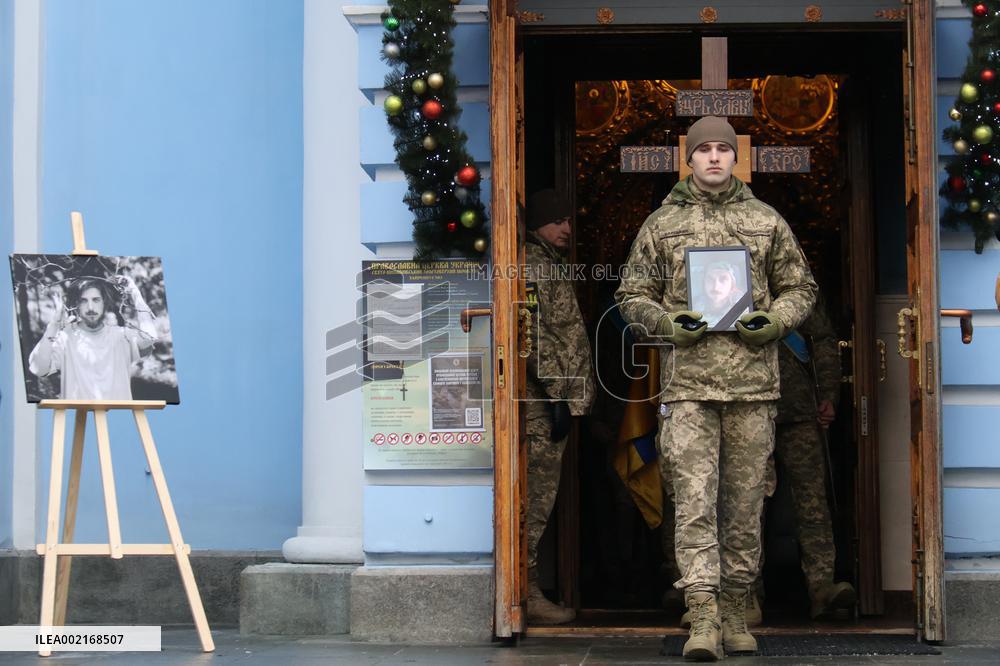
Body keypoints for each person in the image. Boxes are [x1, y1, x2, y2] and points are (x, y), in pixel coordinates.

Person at [615, 116, 817, 660]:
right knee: (695, 504)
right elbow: (631, 295)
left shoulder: (764, 220)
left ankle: (735, 611)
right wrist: (665, 324)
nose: (712, 157)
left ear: (734, 158)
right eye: (702, 149)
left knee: (746, 505)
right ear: (689, 158)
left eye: (721, 149)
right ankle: (702, 616)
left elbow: (801, 286)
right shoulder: (661, 225)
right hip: (690, 390)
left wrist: (776, 321)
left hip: (753, 388)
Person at [523, 188, 596, 625]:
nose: (567, 228)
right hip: (540, 404)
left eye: (568, 220)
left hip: (554, 398)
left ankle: (530, 588)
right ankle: (526, 592)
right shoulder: (532, 265)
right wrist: (556, 392)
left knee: (544, 497)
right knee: (536, 499)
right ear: (537, 224)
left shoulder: (549, 263)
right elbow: (529, 331)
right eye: (558, 220)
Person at [768, 297, 856, 620]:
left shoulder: (796, 285)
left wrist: (829, 395)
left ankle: (822, 587)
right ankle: (744, 594)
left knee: (812, 501)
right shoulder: (730, 278)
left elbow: (822, 340)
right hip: (748, 410)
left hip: (801, 410)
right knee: (745, 505)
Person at [29, 275, 158, 400]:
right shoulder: (65, 337)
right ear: (76, 305)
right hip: (77, 417)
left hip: (117, 416)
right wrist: (54, 325)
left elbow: (149, 337)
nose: (91, 308)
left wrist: (134, 292)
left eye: (96, 300)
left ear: (104, 303)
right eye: (83, 301)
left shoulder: (121, 335)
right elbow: (38, 369)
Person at [698, 260, 743, 328]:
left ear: (732, 285)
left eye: (723, 279)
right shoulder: (695, 307)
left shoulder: (741, 311)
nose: (716, 286)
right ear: (704, 283)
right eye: (710, 279)